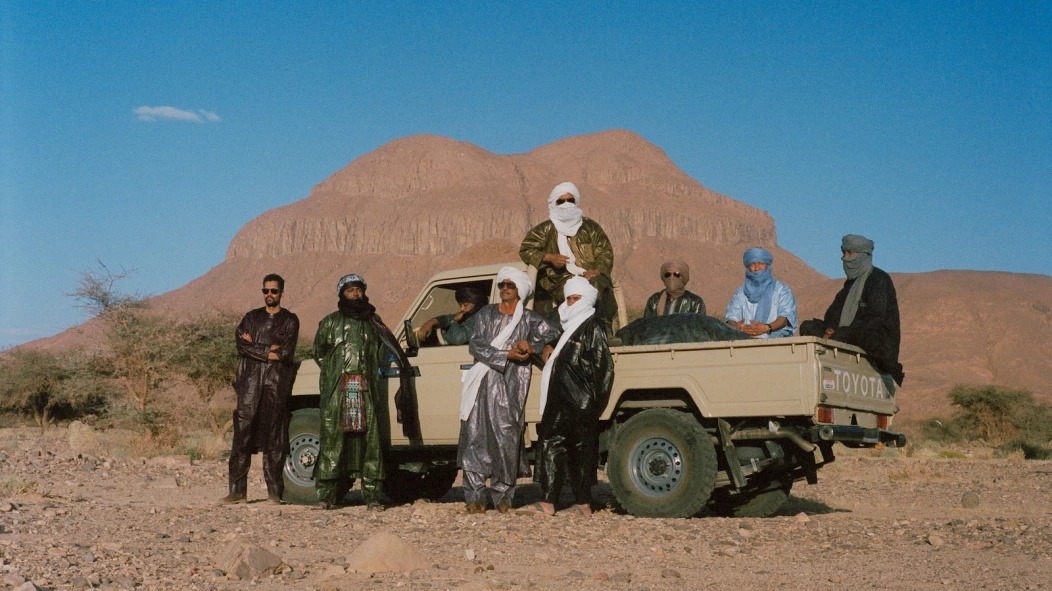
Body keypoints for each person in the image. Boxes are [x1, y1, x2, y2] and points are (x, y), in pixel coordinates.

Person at [458, 267, 559, 514]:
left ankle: (503, 496)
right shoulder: (486, 313)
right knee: (475, 436)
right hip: (482, 383)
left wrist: (533, 346)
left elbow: (554, 334)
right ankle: (474, 497)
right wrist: (506, 354)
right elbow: (476, 343)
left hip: (511, 385)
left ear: (519, 290)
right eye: (502, 285)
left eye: (510, 285)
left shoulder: (529, 319)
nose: (504, 289)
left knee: (507, 437)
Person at [520, 276, 614, 517]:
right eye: (568, 298)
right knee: (555, 446)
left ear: (587, 300)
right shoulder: (567, 328)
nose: (570, 303)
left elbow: (604, 370)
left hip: (579, 402)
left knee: (575, 450)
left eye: (575, 298)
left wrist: (592, 404)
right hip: (560, 400)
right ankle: (556, 502)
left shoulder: (592, 326)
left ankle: (574, 504)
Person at [312, 274, 404, 511]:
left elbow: (384, 351)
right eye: (349, 290)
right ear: (341, 294)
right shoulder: (329, 322)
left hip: (366, 390)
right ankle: (328, 495)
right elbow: (319, 353)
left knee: (370, 442)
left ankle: (372, 496)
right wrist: (333, 374)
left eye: (358, 290)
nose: (354, 294)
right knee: (333, 440)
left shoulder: (375, 322)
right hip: (337, 391)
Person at [221, 274, 300, 505]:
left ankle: (275, 493)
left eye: (274, 291)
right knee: (242, 435)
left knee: (275, 437)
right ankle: (237, 491)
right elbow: (241, 346)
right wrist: (268, 350)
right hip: (249, 384)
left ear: (282, 293)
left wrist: (255, 346)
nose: (269, 295)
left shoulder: (290, 320)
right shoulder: (251, 317)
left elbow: (285, 353)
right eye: (265, 290)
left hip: (276, 384)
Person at [800, 235, 904, 391]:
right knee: (808, 327)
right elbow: (833, 314)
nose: (845, 258)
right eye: (844, 253)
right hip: (844, 332)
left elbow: (875, 319)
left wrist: (842, 331)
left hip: (873, 336)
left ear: (863, 255)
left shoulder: (879, 280)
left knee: (850, 335)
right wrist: (831, 328)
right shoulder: (850, 284)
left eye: (850, 253)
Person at [519, 181, 618, 330]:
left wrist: (597, 270)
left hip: (591, 276)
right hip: (559, 280)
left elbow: (604, 251)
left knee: (597, 284)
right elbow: (526, 250)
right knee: (575, 290)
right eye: (561, 201)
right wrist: (549, 258)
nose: (566, 204)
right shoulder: (545, 229)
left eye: (570, 200)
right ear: (554, 204)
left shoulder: (590, 227)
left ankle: (602, 331)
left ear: (576, 202)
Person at [725, 247, 797, 338]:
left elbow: (785, 318)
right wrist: (736, 327)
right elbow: (731, 317)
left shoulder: (782, 290)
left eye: (761, 263)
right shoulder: (740, 293)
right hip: (745, 340)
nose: (757, 268)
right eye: (753, 264)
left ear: (767, 265)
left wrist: (767, 328)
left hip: (776, 341)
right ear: (748, 267)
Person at [414, 286, 488, 346]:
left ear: (476, 303)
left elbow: (458, 338)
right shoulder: (469, 315)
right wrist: (430, 323)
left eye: (465, 305)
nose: (462, 308)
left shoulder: (480, 319)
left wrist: (454, 321)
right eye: (460, 305)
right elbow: (448, 318)